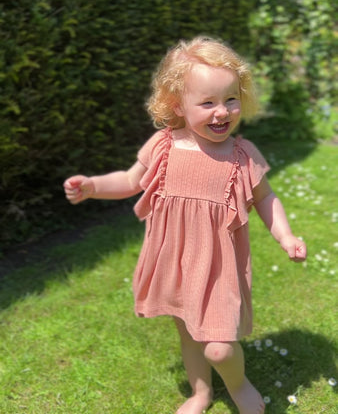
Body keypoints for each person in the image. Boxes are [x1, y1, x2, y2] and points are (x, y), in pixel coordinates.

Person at [64, 36, 307, 414]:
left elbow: (265, 199)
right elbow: (130, 181)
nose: (221, 112)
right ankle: (200, 393)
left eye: (230, 99)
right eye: (207, 102)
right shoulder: (164, 146)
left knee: (219, 345)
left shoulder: (242, 156)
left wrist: (286, 235)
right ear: (178, 105)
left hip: (220, 268)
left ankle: (240, 386)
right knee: (190, 334)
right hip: (176, 261)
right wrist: (93, 187)